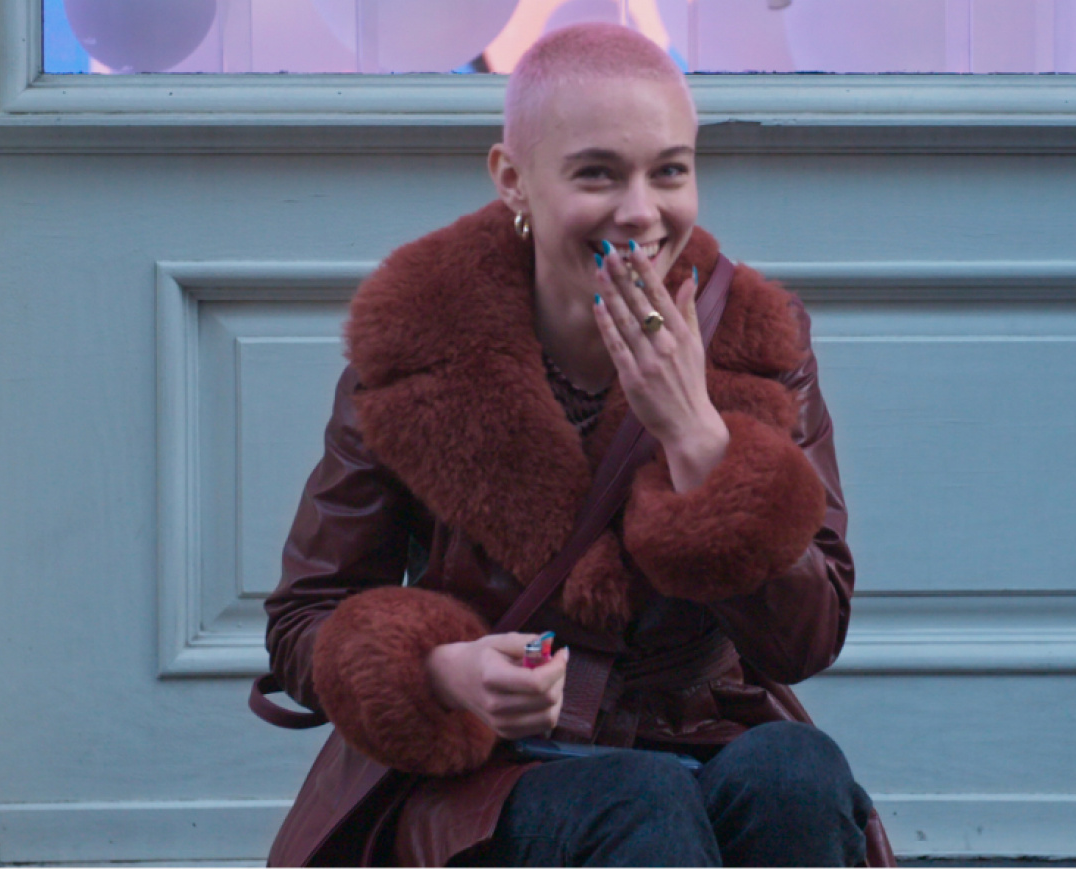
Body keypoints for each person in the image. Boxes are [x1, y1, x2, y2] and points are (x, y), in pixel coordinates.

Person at [257, 23, 895, 868]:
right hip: (492, 775)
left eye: (670, 170)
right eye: (598, 173)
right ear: (514, 180)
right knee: (637, 802)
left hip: (698, 732)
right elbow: (305, 620)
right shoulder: (419, 347)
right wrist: (442, 673)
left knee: (798, 772)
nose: (642, 211)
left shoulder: (757, 343)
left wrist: (699, 438)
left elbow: (807, 640)